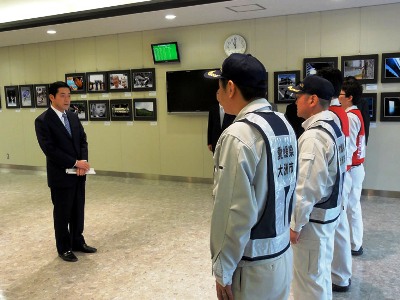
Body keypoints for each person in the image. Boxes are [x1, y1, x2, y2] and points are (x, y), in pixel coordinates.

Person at [207, 53, 297, 300]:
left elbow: (233, 211)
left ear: (231, 87)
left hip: (251, 266)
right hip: (281, 254)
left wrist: (222, 269)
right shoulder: (283, 124)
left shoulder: (238, 135)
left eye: (220, 87)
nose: (218, 95)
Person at [288, 75, 346, 300]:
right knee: (319, 275)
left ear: (312, 100)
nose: (295, 101)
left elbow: (307, 187)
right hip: (328, 216)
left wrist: (296, 224)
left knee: (308, 282)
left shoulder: (314, 136)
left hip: (313, 222)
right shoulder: (333, 126)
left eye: (298, 96)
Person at [35, 81, 97, 262]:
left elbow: (82, 140)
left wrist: (83, 162)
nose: (67, 99)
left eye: (69, 95)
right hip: (60, 176)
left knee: (78, 210)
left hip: (79, 174)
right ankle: (64, 248)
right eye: (62, 95)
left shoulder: (73, 116)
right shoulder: (43, 121)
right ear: (52, 97)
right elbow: (50, 149)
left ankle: (77, 241)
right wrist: (74, 162)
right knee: (62, 213)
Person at [317, 67, 353, 293]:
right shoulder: (339, 112)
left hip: (338, 176)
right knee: (340, 226)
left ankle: (340, 275)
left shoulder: (334, 114)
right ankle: (341, 273)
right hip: (342, 174)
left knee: (338, 227)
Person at [338, 76, 366, 257]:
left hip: (352, 168)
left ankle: (355, 244)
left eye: (340, 94)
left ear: (349, 97)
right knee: (353, 207)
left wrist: (343, 170)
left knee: (351, 207)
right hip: (356, 167)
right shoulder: (355, 114)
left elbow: (350, 147)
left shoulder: (351, 117)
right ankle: (354, 242)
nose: (338, 97)